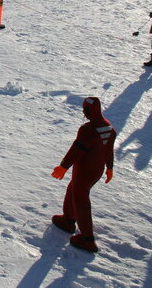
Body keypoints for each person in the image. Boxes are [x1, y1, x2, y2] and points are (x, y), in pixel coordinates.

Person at [51, 96, 116, 253]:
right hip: (97, 170)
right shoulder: (109, 128)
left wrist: (63, 166)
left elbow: (77, 150)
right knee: (73, 189)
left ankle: (87, 238)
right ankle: (68, 219)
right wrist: (109, 167)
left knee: (81, 198)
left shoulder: (88, 130)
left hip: (85, 169)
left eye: (84, 109)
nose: (83, 112)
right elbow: (109, 151)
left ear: (88, 110)